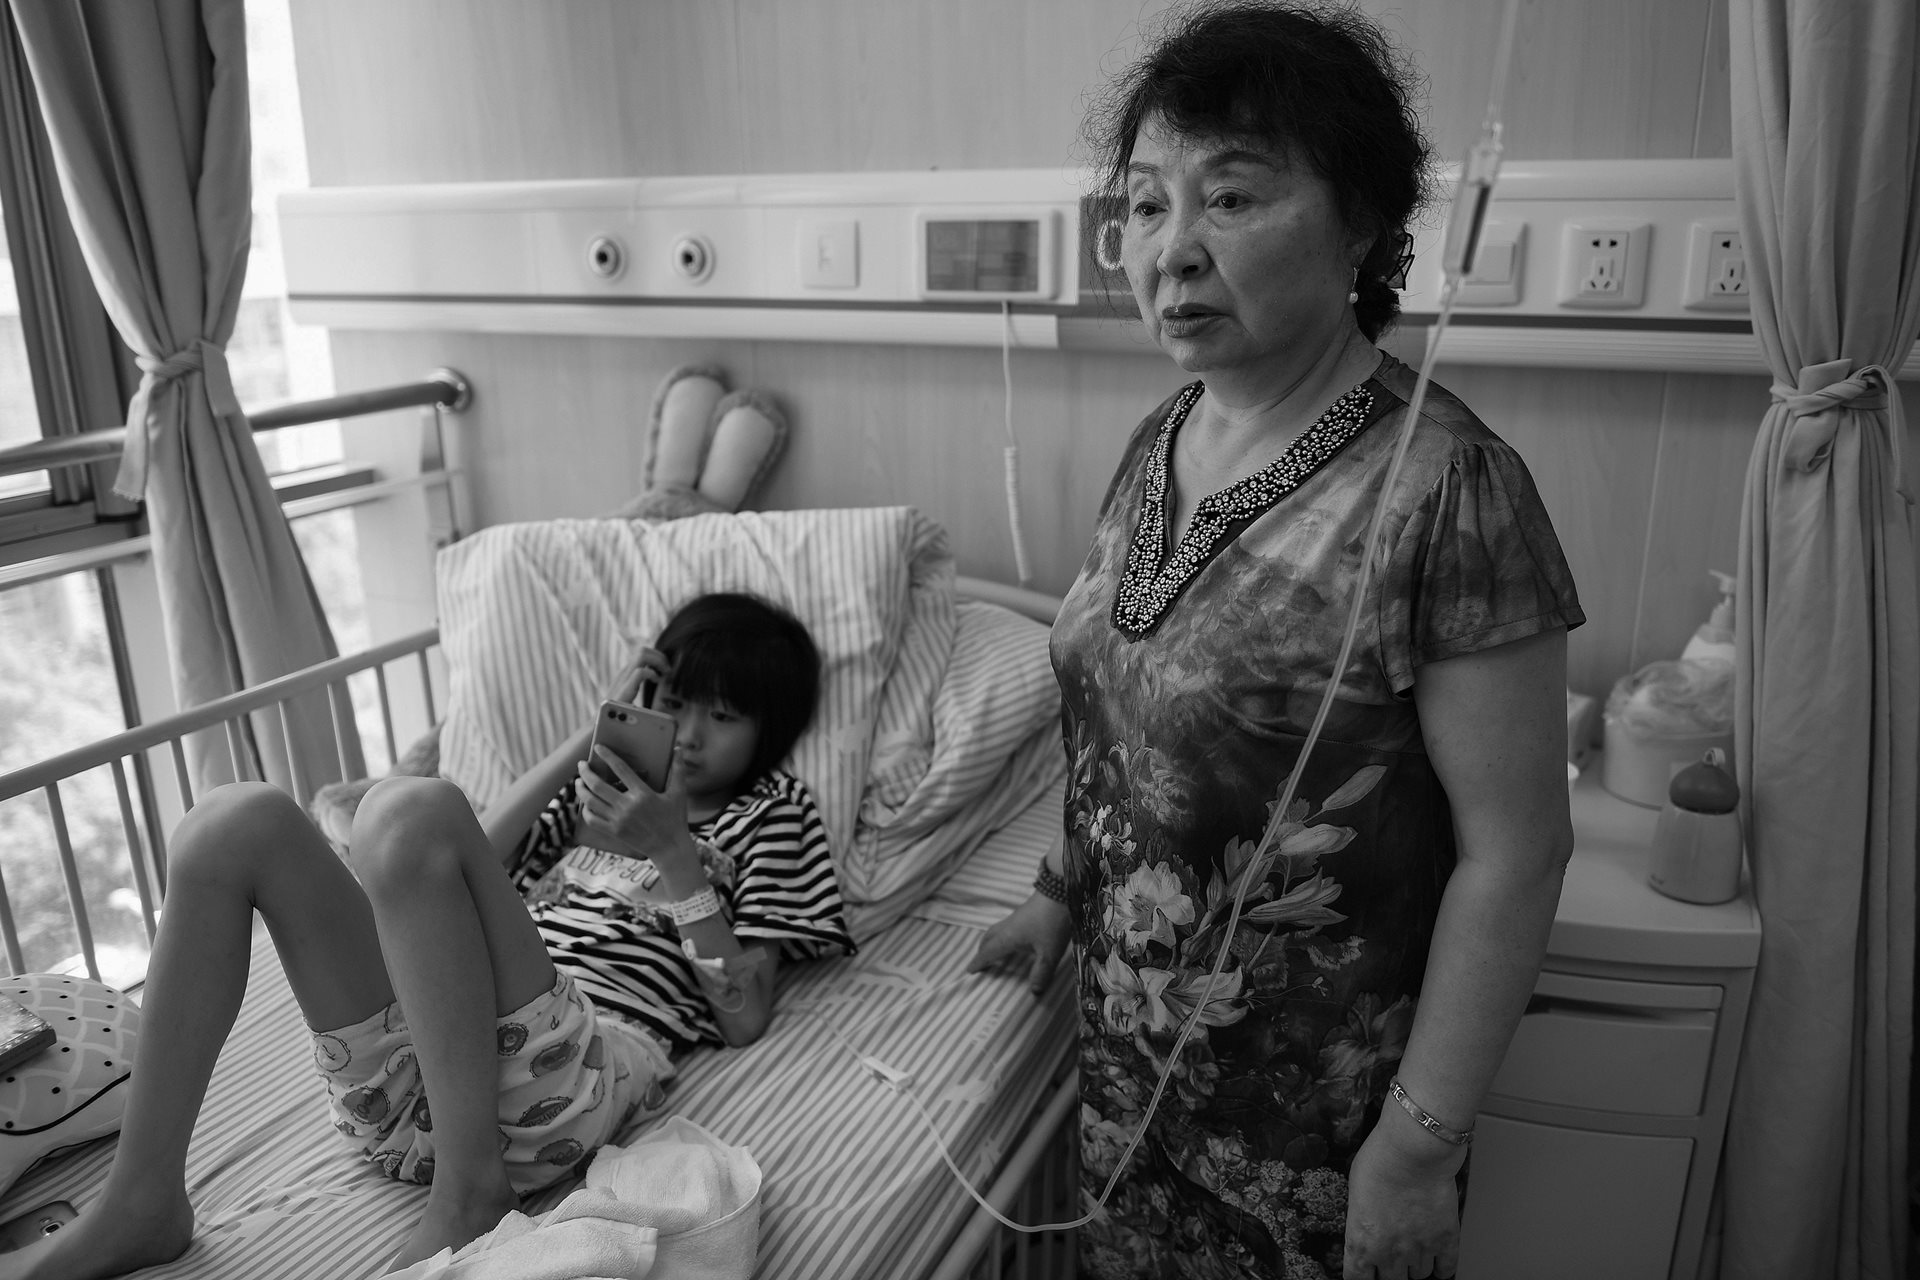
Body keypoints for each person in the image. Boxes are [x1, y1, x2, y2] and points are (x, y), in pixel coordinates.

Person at [969, 5, 1581, 1279]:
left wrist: (1416, 1149)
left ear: (1361, 225)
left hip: (1320, 1130)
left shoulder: (1446, 491)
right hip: (1131, 1076)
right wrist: (1055, 894)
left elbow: (1518, 854)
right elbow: (1115, 728)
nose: (1172, 250)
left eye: (1232, 197)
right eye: (1147, 205)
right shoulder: (1162, 437)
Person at [9, 592, 853, 1280]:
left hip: (567, 1082)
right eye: (676, 704)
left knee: (408, 809)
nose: (692, 733)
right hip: (414, 1084)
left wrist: (672, 850)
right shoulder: (591, 797)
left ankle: (472, 1190)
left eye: (723, 714)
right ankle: (143, 1198)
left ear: (769, 730)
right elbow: (448, 859)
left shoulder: (772, 813)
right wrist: (591, 739)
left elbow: (745, 1014)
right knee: (232, 821)